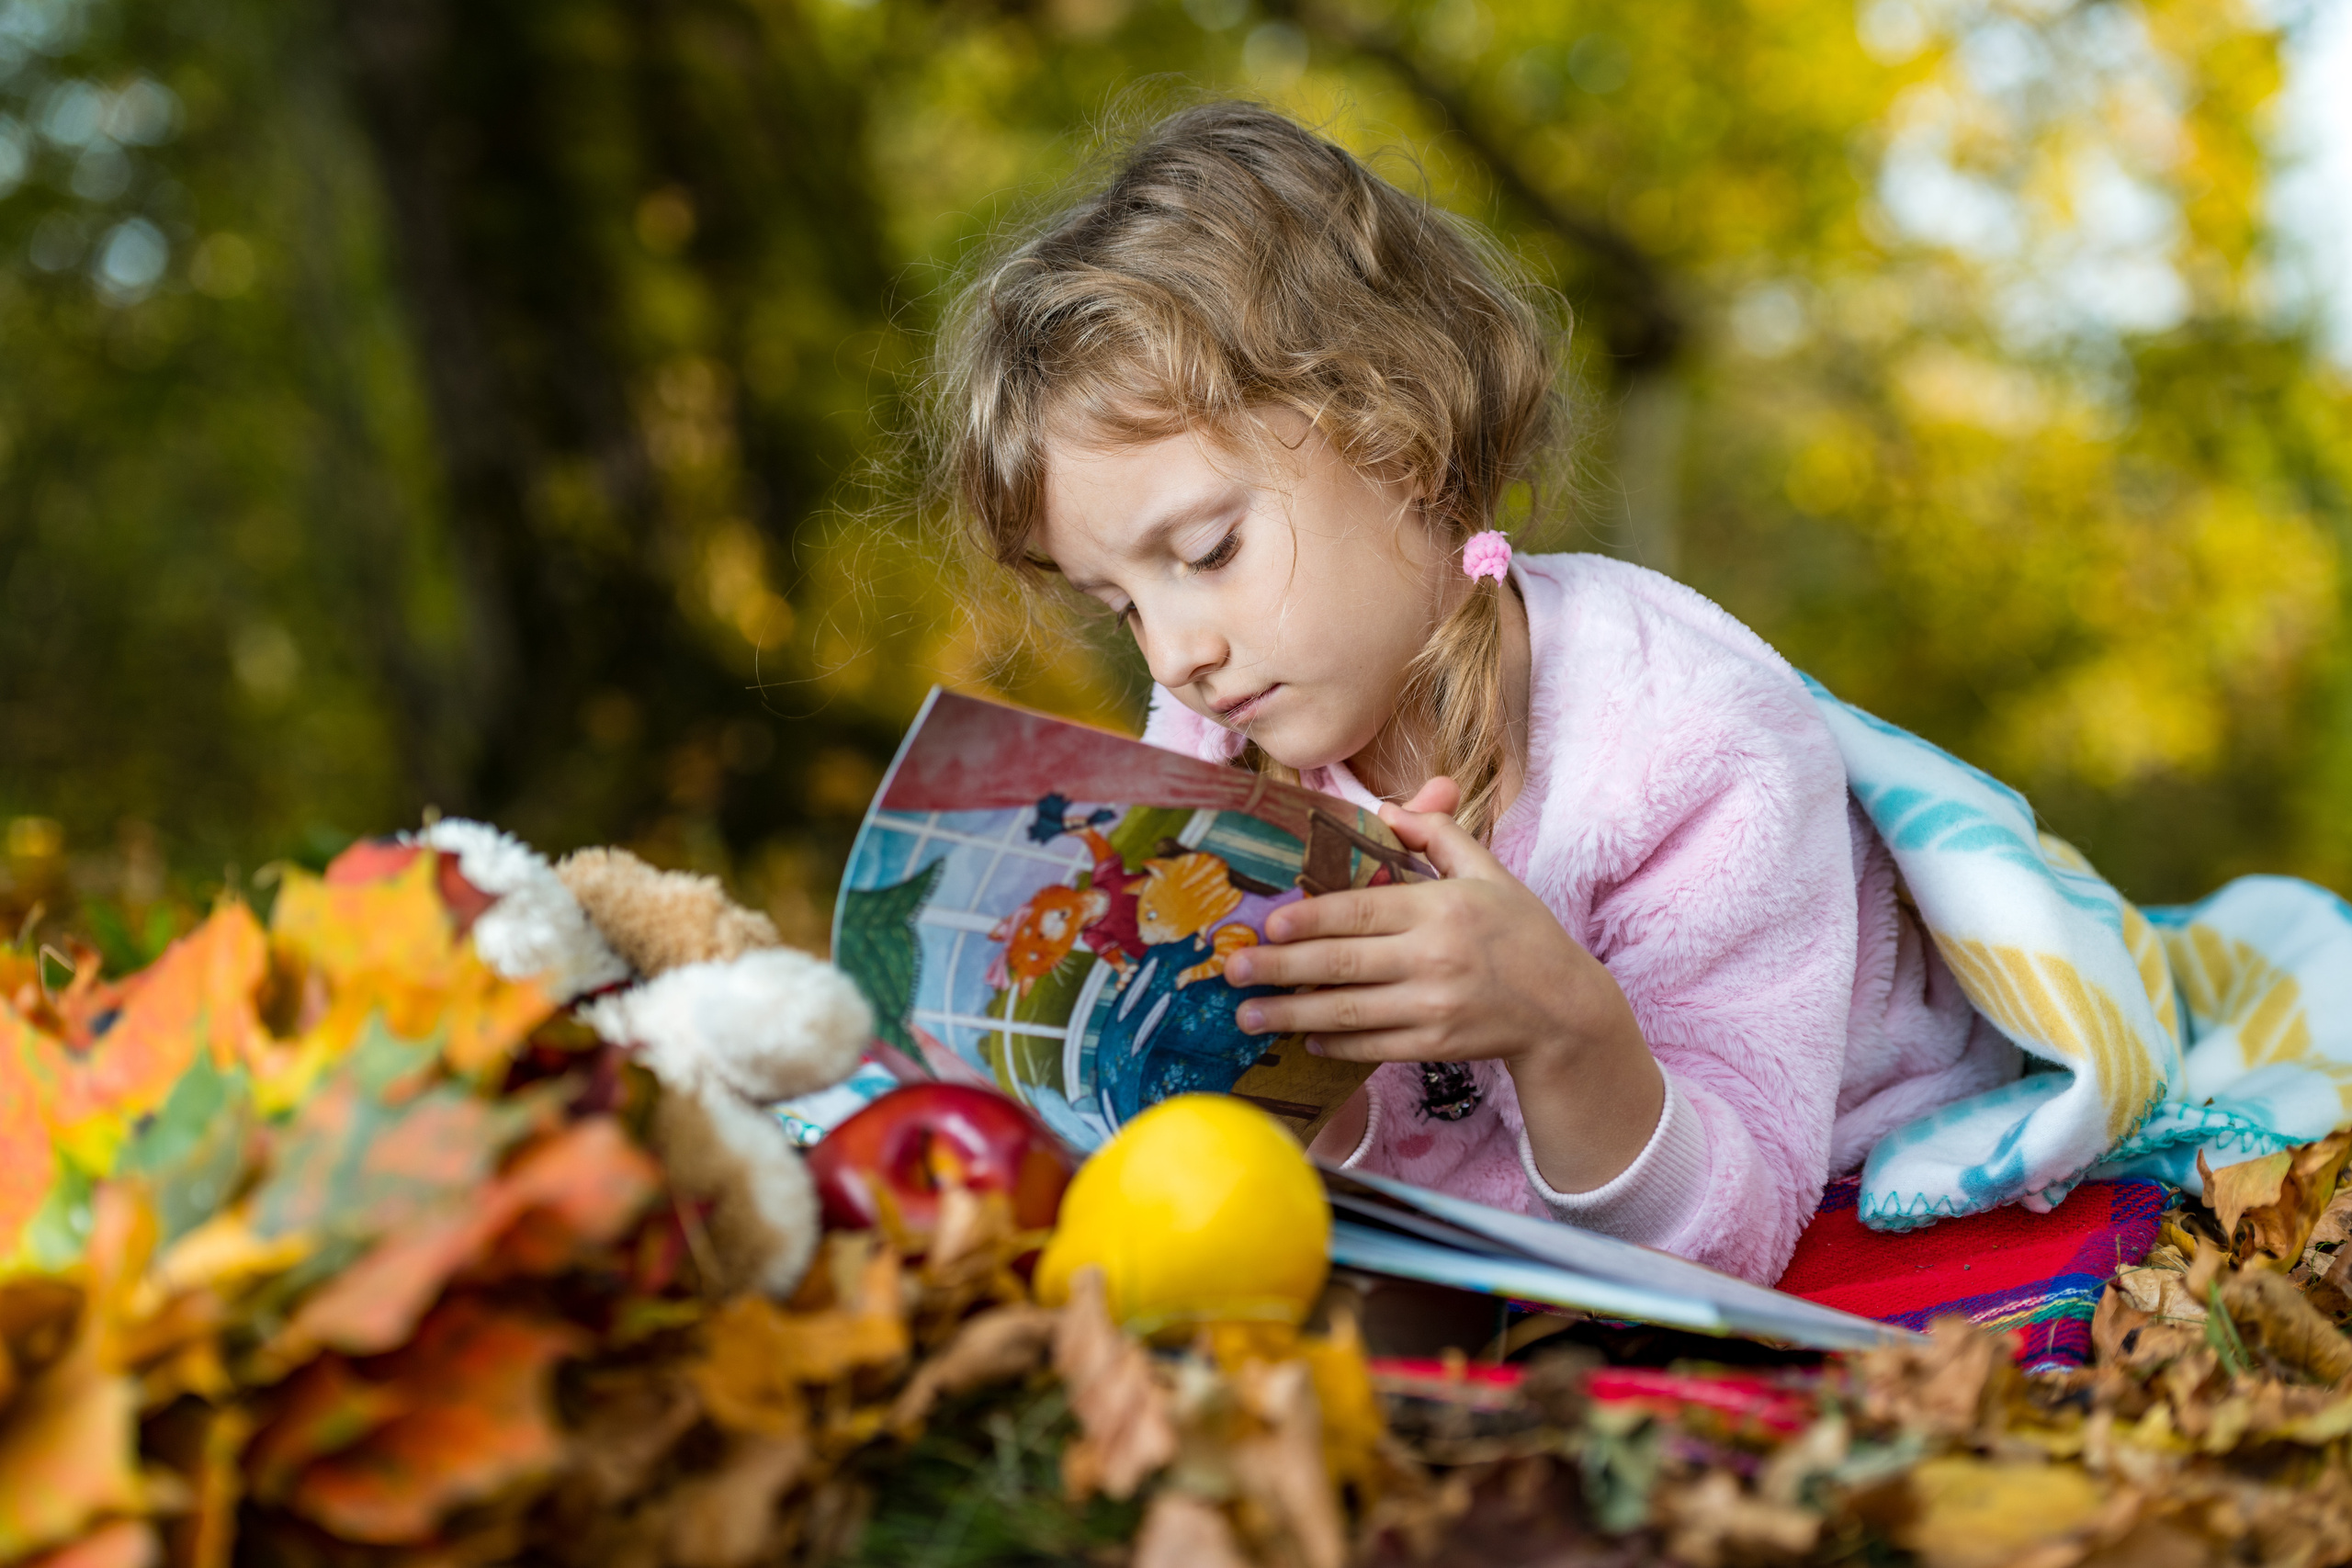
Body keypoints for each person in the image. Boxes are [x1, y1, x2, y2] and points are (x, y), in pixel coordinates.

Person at [918, 101, 2018, 1284]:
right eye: (1122, 604)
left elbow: (1733, 1240)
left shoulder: (1691, 739)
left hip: (1794, 1174)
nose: (1174, 653)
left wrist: (1560, 1028)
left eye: (1209, 551)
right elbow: (1326, 1174)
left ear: (1401, 433)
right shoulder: (1216, 738)